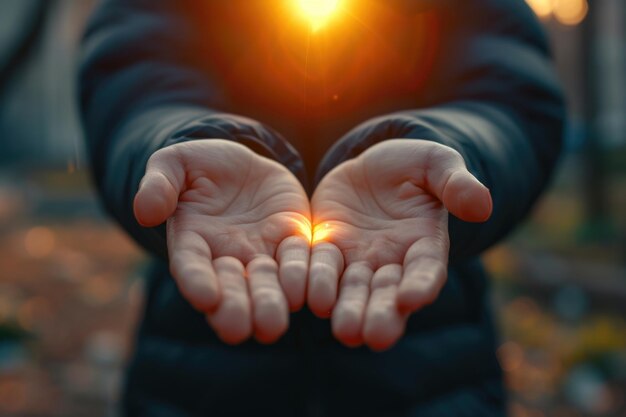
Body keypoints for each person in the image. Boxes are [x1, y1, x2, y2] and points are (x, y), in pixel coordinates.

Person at [79, 0, 564, 415]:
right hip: (195, 365)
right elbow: (132, 79)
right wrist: (181, 144)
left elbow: (511, 95)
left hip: (433, 368)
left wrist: (449, 150)